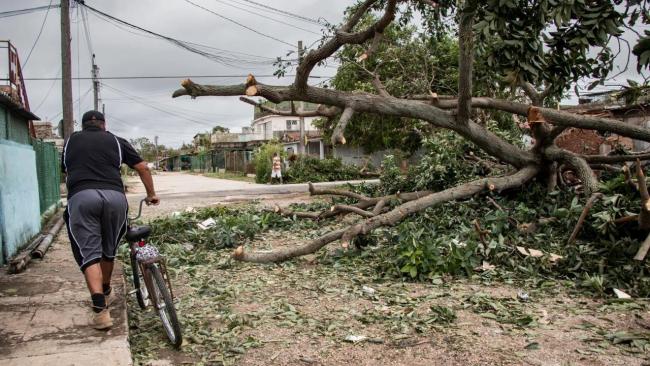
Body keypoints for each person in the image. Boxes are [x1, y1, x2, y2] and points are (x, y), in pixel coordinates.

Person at [61, 110, 159, 330]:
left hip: (82, 197)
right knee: (108, 249)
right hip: (115, 198)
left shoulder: (71, 142)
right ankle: (105, 289)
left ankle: (100, 311)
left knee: (89, 253)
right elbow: (142, 166)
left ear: (84, 125)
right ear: (104, 125)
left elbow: (66, 172)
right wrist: (151, 194)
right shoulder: (115, 140)